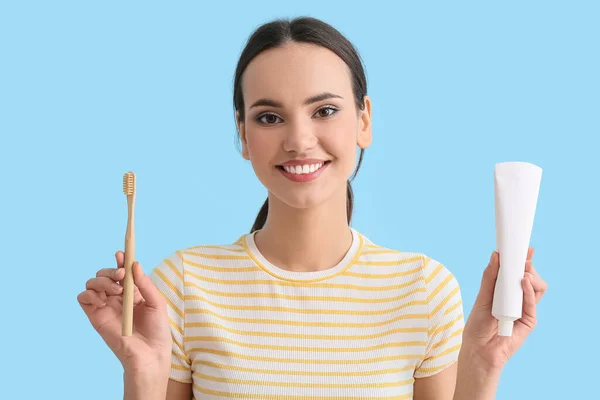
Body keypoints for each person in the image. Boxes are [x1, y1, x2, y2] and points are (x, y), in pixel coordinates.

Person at [77, 16, 548, 400]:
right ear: (243, 135)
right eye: (269, 117)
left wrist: (483, 368)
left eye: (324, 111)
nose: (300, 140)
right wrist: (142, 374)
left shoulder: (424, 290)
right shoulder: (183, 285)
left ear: (364, 120)